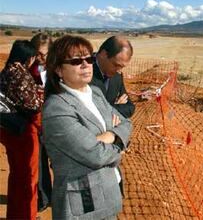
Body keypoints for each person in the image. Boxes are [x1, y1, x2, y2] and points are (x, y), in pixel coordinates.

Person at [42, 35, 132, 219]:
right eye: (76, 61)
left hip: (110, 193)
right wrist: (119, 144)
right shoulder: (57, 108)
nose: (85, 64)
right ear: (59, 69)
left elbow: (126, 123)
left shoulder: (96, 93)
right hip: (85, 204)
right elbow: (95, 155)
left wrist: (108, 137)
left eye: (89, 59)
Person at [0, 40, 44, 220]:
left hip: (8, 128)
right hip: (22, 132)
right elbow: (33, 106)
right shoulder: (20, 73)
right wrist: (43, 97)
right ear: (29, 57)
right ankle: (27, 216)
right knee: (27, 178)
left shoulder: (7, 69)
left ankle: (16, 215)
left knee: (17, 175)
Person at [30, 32, 53, 212]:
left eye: (45, 54)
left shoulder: (58, 70)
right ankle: (43, 198)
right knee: (39, 163)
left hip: (55, 123)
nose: (41, 58)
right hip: (36, 124)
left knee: (60, 163)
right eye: (38, 54)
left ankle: (59, 197)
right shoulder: (28, 70)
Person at [91, 36, 135, 118]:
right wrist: (114, 107)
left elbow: (130, 107)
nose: (119, 70)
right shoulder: (83, 70)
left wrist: (109, 108)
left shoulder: (117, 75)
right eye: (116, 65)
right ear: (104, 54)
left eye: (122, 67)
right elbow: (88, 113)